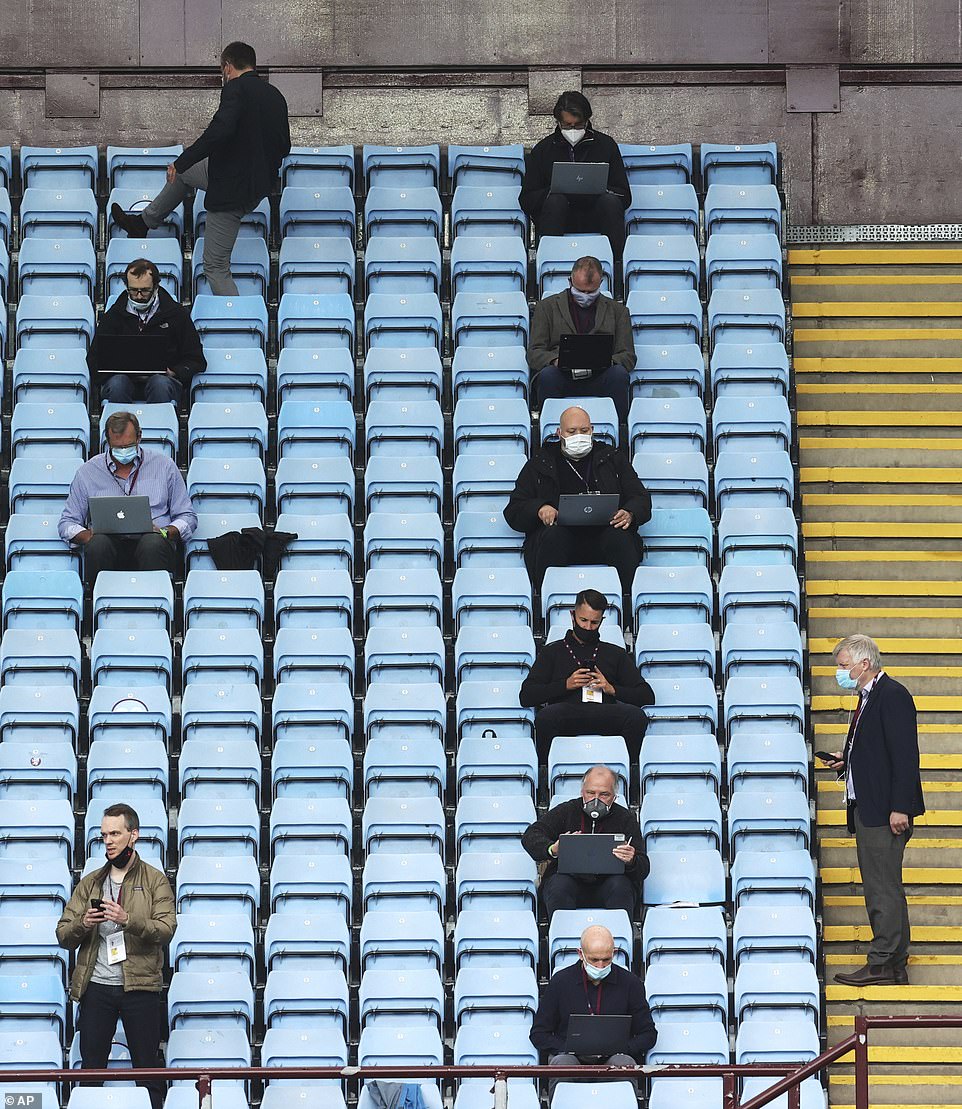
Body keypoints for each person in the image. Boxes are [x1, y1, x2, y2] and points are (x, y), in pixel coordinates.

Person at [112, 41, 291, 295]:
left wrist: (181, 159)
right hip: (256, 185)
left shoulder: (234, 89)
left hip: (232, 189)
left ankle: (236, 324)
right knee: (186, 173)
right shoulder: (275, 95)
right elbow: (284, 146)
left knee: (215, 267)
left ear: (227, 67)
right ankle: (142, 223)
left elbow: (219, 132)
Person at [56, 803, 176, 1109]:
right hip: (96, 988)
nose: (107, 840)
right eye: (104, 833)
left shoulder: (154, 880)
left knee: (147, 1071)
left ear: (133, 835)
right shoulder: (91, 882)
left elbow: (166, 930)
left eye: (115, 833)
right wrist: (83, 923)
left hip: (140, 989)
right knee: (91, 1071)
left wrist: (127, 919)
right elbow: (63, 935)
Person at [824, 635, 925, 987]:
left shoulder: (892, 695)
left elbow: (906, 757)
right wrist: (846, 760)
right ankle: (895, 962)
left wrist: (900, 807)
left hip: (884, 811)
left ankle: (882, 961)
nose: (840, 671)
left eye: (843, 664)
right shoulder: (868, 698)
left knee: (881, 888)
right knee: (886, 886)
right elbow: (878, 753)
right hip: (871, 805)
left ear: (863, 663)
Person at [503, 405, 651, 594]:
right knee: (552, 538)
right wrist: (539, 508)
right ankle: (548, 602)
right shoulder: (541, 462)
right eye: (571, 431)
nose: (578, 436)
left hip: (605, 535)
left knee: (621, 539)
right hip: (560, 537)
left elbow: (641, 498)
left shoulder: (612, 458)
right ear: (559, 432)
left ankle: (626, 605)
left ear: (592, 431)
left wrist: (630, 513)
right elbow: (514, 509)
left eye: (584, 430)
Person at [59, 410, 197, 584]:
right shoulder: (88, 472)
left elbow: (188, 516)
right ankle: (101, 605)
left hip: (153, 545)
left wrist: (164, 532)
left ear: (139, 437)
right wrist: (88, 535)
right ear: (107, 442)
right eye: (117, 447)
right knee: (98, 544)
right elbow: (66, 523)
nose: (123, 451)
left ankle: (155, 604)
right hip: (109, 546)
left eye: (128, 446)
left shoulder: (164, 466)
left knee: (152, 543)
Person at [520, 590, 654, 759]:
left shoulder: (615, 653)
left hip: (605, 713)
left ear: (602, 620)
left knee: (636, 717)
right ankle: (547, 774)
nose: (588, 627)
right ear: (572, 615)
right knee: (546, 717)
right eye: (583, 620)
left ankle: (626, 772)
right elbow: (526, 695)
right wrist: (565, 685)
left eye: (594, 622)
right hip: (566, 713)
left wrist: (611, 689)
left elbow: (647, 695)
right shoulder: (552, 652)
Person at [530, 924, 656, 1095]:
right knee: (563, 1064)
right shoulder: (560, 982)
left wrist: (622, 1048)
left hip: (614, 1057)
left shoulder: (630, 983)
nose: (600, 966)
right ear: (580, 954)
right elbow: (538, 1033)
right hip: (570, 1057)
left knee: (623, 1063)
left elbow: (648, 1034)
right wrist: (567, 1047)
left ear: (614, 953)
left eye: (606, 960)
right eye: (594, 960)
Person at [522, 765, 648, 921]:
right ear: (582, 793)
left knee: (621, 887)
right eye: (590, 793)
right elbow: (531, 836)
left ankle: (615, 941)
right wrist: (552, 849)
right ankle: (563, 940)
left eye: (604, 794)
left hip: (610, 885)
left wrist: (632, 860)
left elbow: (644, 867)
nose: (596, 800)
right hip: (569, 882)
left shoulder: (625, 818)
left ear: (614, 797)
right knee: (558, 886)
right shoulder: (568, 810)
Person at [520, 91, 631, 259]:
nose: (572, 130)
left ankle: (616, 267)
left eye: (578, 125)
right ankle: (549, 263)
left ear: (587, 121)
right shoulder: (543, 150)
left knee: (610, 202)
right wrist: (551, 192)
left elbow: (624, 195)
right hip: (558, 218)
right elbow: (526, 200)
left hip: (596, 216)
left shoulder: (606, 146)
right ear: (558, 122)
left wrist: (603, 189)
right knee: (556, 201)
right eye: (567, 125)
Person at [528, 256, 635, 422]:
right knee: (548, 375)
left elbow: (628, 356)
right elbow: (534, 353)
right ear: (570, 281)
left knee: (619, 375)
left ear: (600, 284)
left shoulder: (618, 311)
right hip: (562, 375)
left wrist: (605, 361)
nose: (585, 296)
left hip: (600, 375)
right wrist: (556, 360)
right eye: (580, 291)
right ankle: (550, 430)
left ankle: (619, 430)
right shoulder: (546, 307)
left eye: (591, 292)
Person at [87, 258, 206, 407]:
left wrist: (174, 371)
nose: (138, 295)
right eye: (133, 290)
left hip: (164, 381)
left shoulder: (176, 314)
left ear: (156, 287)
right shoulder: (114, 315)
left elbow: (196, 359)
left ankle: (161, 428)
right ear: (126, 287)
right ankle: (121, 429)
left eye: (144, 290)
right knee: (118, 383)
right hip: (122, 382)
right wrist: (112, 370)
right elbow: (94, 358)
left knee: (159, 383)